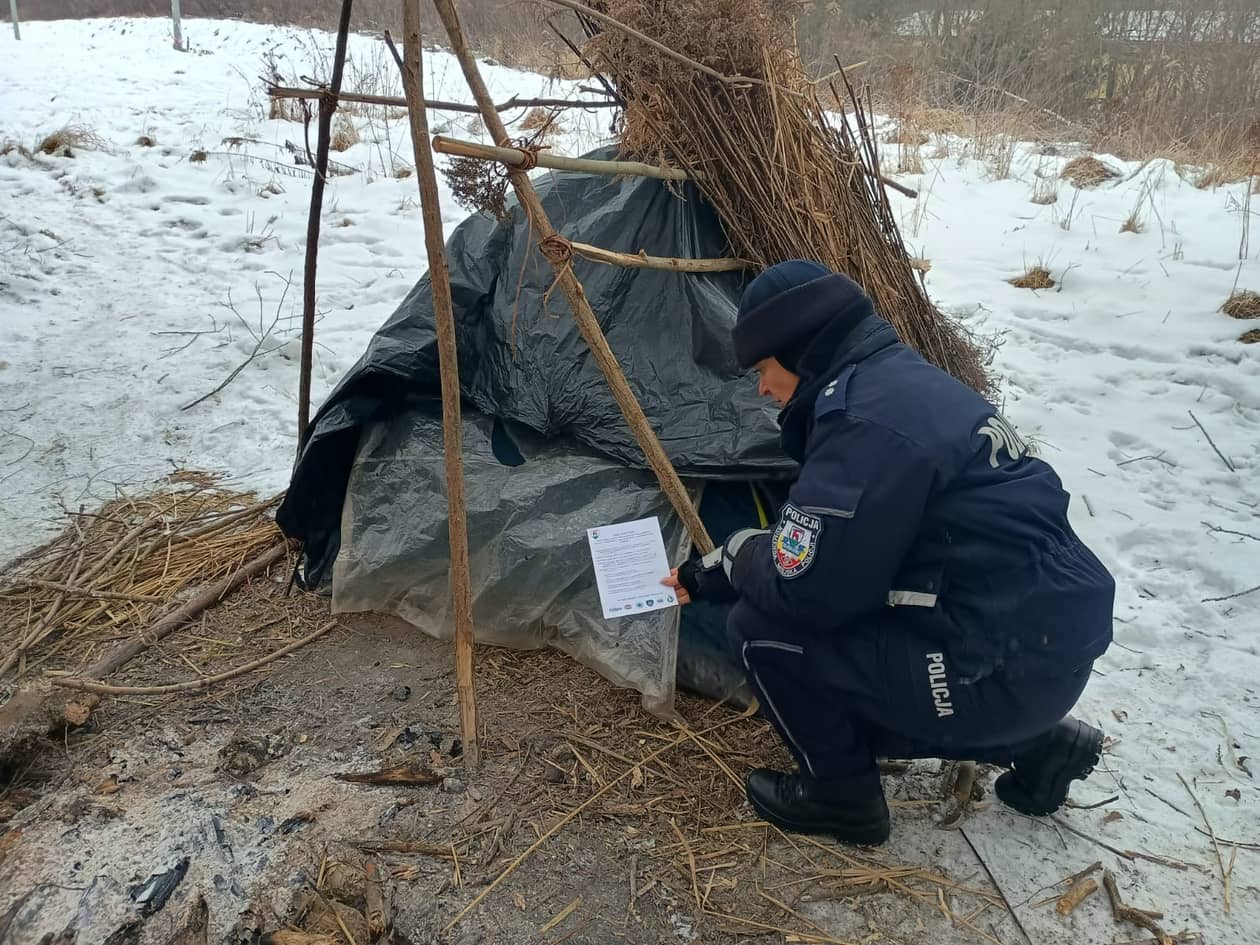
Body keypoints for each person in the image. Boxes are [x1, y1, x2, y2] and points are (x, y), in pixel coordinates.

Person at [663, 260, 1115, 846]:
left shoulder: (862, 423)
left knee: (761, 629)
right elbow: (841, 545)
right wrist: (723, 567)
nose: (762, 388)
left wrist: (734, 561)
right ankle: (1039, 743)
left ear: (800, 350)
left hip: (993, 667)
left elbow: (809, 592)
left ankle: (840, 800)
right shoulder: (904, 383)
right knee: (857, 626)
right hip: (1039, 651)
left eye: (765, 368)